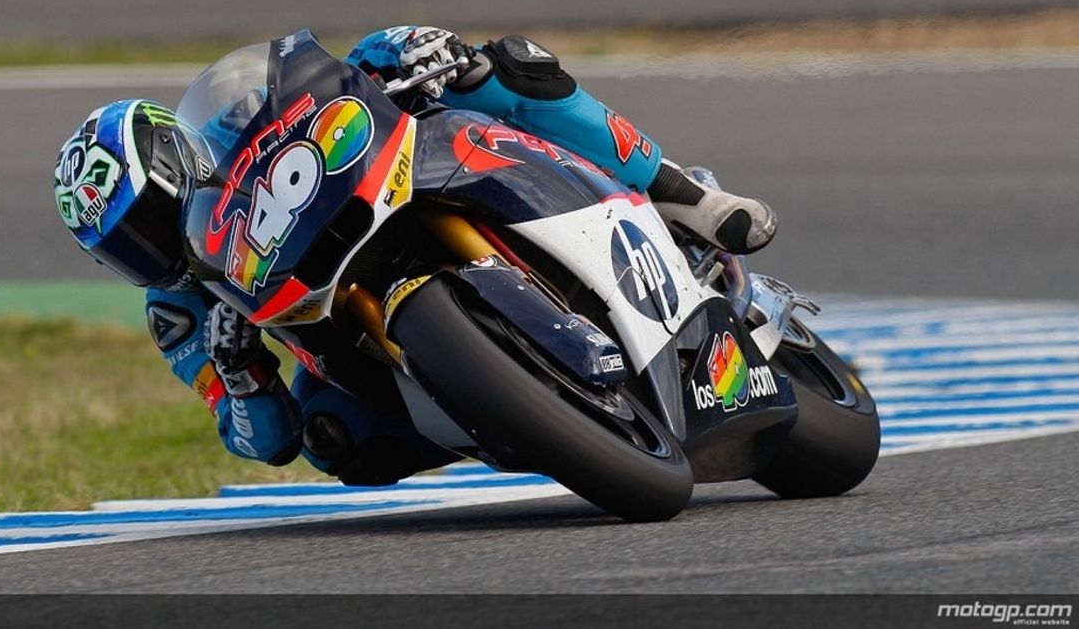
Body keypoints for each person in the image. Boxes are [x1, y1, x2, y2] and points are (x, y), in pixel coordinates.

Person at [51, 26, 777, 485]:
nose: (150, 247)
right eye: (126, 249)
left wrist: (407, 52)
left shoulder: (236, 120)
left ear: (180, 157)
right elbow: (258, 441)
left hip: (390, 180)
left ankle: (682, 193)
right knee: (332, 439)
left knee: (501, 67)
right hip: (342, 336)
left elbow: (327, 77)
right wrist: (241, 376)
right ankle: (520, 407)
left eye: (147, 218)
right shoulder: (178, 313)